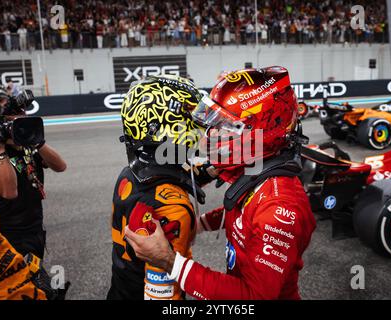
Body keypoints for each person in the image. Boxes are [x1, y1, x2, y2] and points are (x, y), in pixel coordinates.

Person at [125, 67, 316, 300]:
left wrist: (169, 261)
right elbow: (244, 214)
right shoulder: (258, 169)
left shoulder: (279, 209)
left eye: (224, 127)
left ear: (260, 133)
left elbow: (254, 297)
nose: (211, 136)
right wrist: (201, 224)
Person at [107, 75, 210, 300]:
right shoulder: (172, 207)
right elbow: (161, 296)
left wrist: (212, 169)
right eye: (190, 117)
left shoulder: (132, 173)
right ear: (162, 124)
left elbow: (175, 177)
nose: (199, 124)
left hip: (121, 289)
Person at [0, 97, 67, 259]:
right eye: (14, 120)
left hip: (34, 227)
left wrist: (37, 140)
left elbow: (60, 166)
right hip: (7, 234)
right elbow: (9, 192)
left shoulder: (25, 143)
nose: (21, 122)